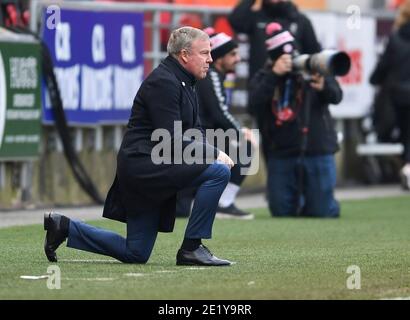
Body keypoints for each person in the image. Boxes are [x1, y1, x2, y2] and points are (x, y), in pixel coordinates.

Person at [43, 27, 236, 266]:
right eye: (205, 53)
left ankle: (64, 226)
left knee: (136, 253)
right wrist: (214, 153)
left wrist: (210, 149)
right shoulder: (164, 82)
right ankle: (192, 248)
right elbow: (171, 139)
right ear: (184, 55)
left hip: (156, 164)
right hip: (145, 166)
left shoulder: (186, 81)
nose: (210, 59)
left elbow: (194, 132)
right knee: (218, 172)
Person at [248, 21, 343, 218]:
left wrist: (324, 86)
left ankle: (327, 202)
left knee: (320, 213)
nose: (290, 60)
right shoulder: (264, 75)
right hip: (282, 151)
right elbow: (253, 105)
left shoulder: (314, 67)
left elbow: (336, 96)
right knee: (281, 211)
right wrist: (274, 75)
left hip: (317, 148)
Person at [176, 28, 256, 220]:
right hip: (197, 138)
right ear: (219, 57)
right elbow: (218, 113)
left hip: (197, 137)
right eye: (233, 54)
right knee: (244, 146)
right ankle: (223, 203)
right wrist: (240, 131)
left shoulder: (213, 76)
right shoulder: (210, 75)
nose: (237, 59)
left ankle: (216, 201)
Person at [370, 0, 410, 191]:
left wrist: (374, 79)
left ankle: (408, 168)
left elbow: (383, 67)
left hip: (400, 96)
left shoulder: (395, 38)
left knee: (405, 135)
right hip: (402, 94)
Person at [228, 0, 320, 80]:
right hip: (260, 83)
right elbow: (235, 21)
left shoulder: (300, 20)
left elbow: (313, 53)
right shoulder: (256, 16)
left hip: (293, 84)